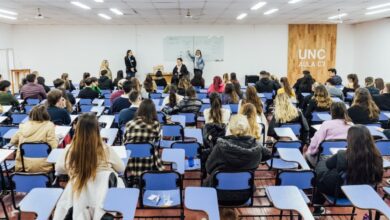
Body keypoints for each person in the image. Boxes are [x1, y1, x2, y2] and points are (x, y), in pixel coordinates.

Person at [53, 113, 125, 220]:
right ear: (97, 129)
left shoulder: (70, 149)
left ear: (77, 129)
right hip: (102, 198)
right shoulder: (105, 149)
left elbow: (58, 169)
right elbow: (121, 168)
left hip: (78, 199)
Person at [313, 125, 383, 214]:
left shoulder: (343, 155)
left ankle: (317, 208)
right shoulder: (377, 156)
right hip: (364, 194)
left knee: (321, 168)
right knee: (329, 173)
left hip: (340, 192)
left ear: (351, 139)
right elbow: (378, 178)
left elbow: (328, 164)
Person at [204, 114, 271, 204]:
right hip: (245, 194)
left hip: (219, 193)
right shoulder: (257, 147)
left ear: (230, 128)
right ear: (247, 128)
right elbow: (268, 154)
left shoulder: (220, 146)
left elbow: (208, 168)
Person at [10, 105, 58, 172]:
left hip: (24, 165)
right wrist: (57, 139)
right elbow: (54, 147)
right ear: (46, 114)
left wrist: (27, 147)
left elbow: (12, 142)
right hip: (45, 166)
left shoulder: (23, 126)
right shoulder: (49, 125)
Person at [123, 99, 164, 177]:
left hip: (131, 161)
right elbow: (158, 141)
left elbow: (124, 141)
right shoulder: (155, 124)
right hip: (148, 161)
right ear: (153, 111)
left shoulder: (129, 123)